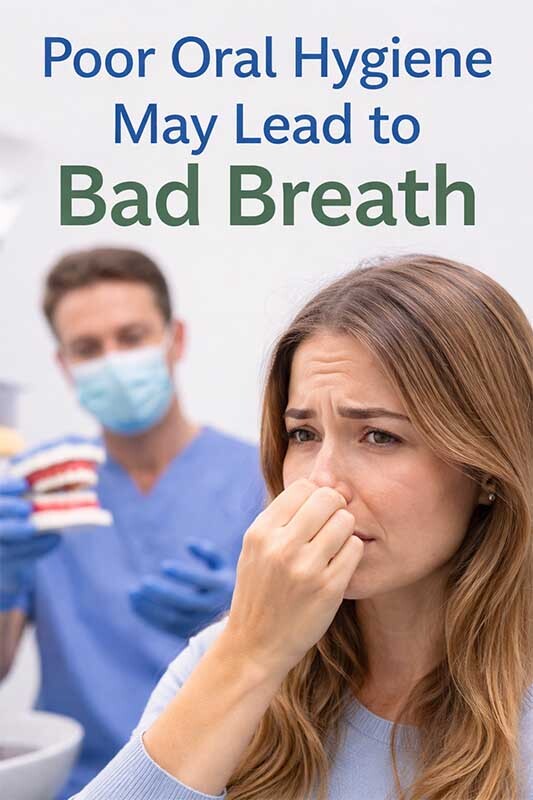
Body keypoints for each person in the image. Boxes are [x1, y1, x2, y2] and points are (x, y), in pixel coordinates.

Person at [71, 254, 533, 800]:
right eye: (303, 435)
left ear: (487, 468)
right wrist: (250, 654)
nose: (321, 482)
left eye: (379, 436)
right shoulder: (222, 660)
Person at [0, 247, 266, 799]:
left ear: (176, 339)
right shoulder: (40, 490)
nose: (113, 361)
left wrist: (243, 620)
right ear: (64, 366)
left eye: (132, 336)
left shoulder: (264, 479)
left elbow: (338, 672)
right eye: (87, 348)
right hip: (80, 784)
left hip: (232, 779)